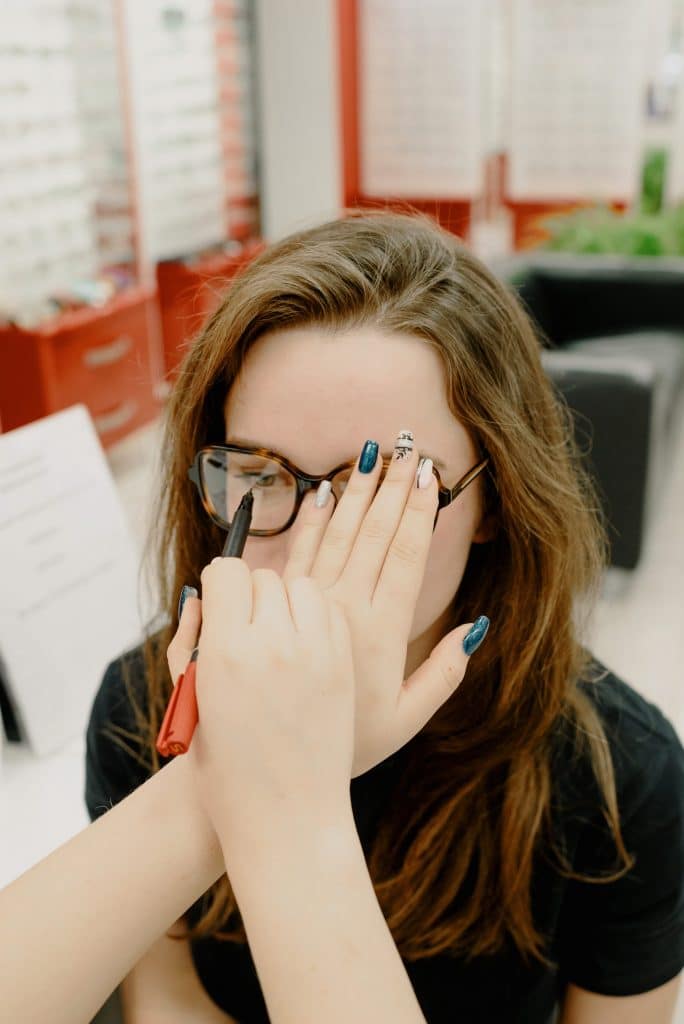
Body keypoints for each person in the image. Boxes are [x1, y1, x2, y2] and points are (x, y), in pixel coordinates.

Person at [84, 210, 684, 1024]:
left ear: (498, 501)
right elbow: (166, 1000)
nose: (308, 545)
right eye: (260, 476)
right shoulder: (144, 704)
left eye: (387, 487)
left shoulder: (622, 779)